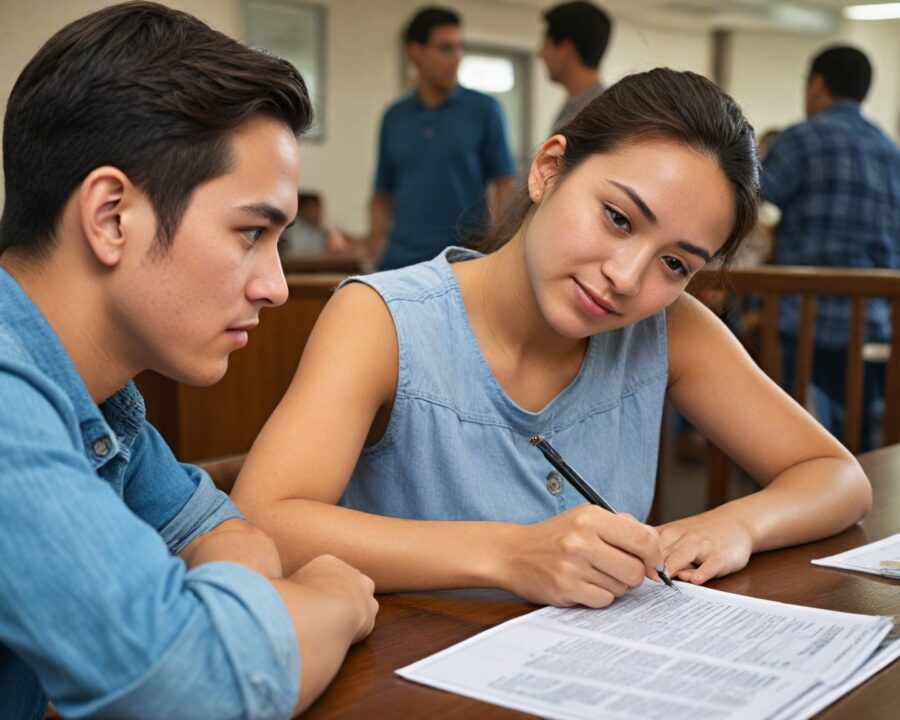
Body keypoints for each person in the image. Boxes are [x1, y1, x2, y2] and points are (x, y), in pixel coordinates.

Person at [233, 69, 871, 610]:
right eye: (618, 218)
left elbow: (836, 477)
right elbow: (263, 519)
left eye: (676, 264)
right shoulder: (385, 319)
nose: (626, 278)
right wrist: (510, 553)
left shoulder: (670, 330)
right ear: (548, 170)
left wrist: (737, 524)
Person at [0, 4, 377, 719]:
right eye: (250, 233)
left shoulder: (104, 404)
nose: (274, 286)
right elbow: (188, 686)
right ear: (112, 216)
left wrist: (217, 612)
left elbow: (224, 532)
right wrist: (332, 598)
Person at [761, 45, 900, 450]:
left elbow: (749, 201)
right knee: (854, 435)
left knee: (783, 438)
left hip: (803, 317)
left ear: (817, 85)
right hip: (873, 318)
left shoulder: (801, 139)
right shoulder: (891, 152)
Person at [367, 6, 516, 271]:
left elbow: (504, 185)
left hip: (463, 263)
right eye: (446, 48)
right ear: (414, 52)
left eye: (460, 48)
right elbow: (381, 196)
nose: (456, 57)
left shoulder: (484, 110)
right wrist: (371, 248)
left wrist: (501, 249)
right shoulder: (394, 117)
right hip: (400, 265)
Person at [538, 1, 612, 131]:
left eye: (546, 45)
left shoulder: (598, 117)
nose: (540, 54)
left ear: (565, 50)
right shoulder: (576, 108)